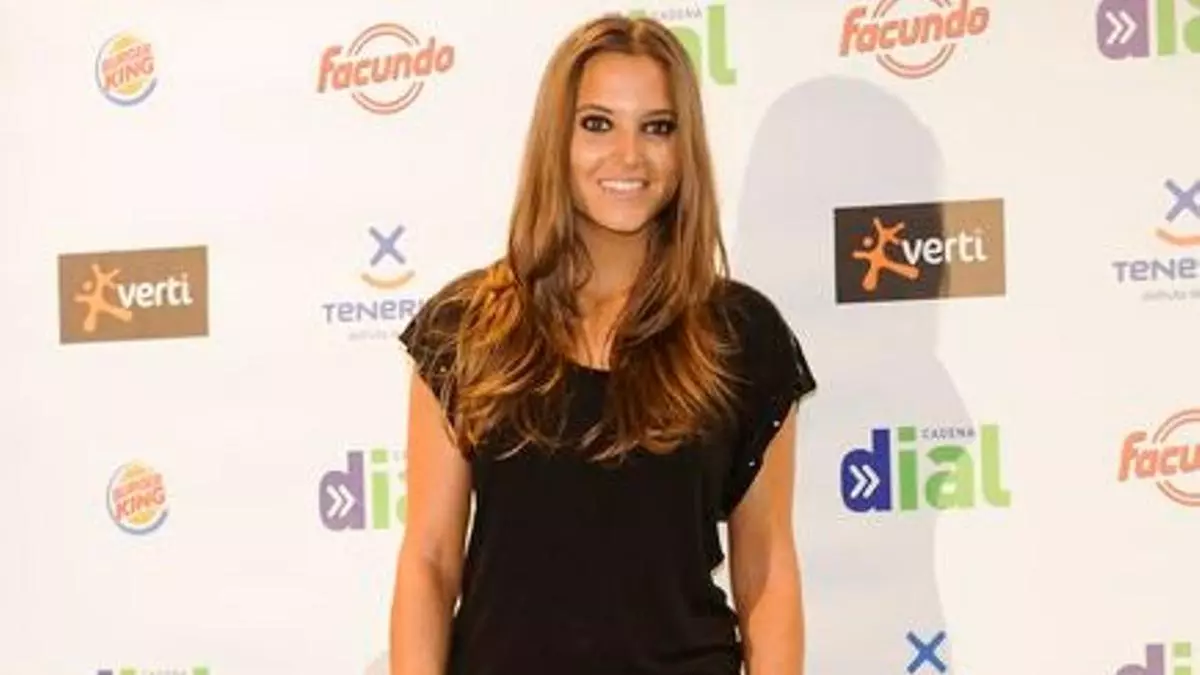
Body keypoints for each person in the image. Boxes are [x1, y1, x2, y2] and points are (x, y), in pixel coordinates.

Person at [388, 13, 817, 675]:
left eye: (658, 127)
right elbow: (430, 560)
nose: (629, 156)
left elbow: (767, 570)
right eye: (597, 123)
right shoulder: (464, 328)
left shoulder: (741, 336)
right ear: (556, 138)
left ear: (685, 146)